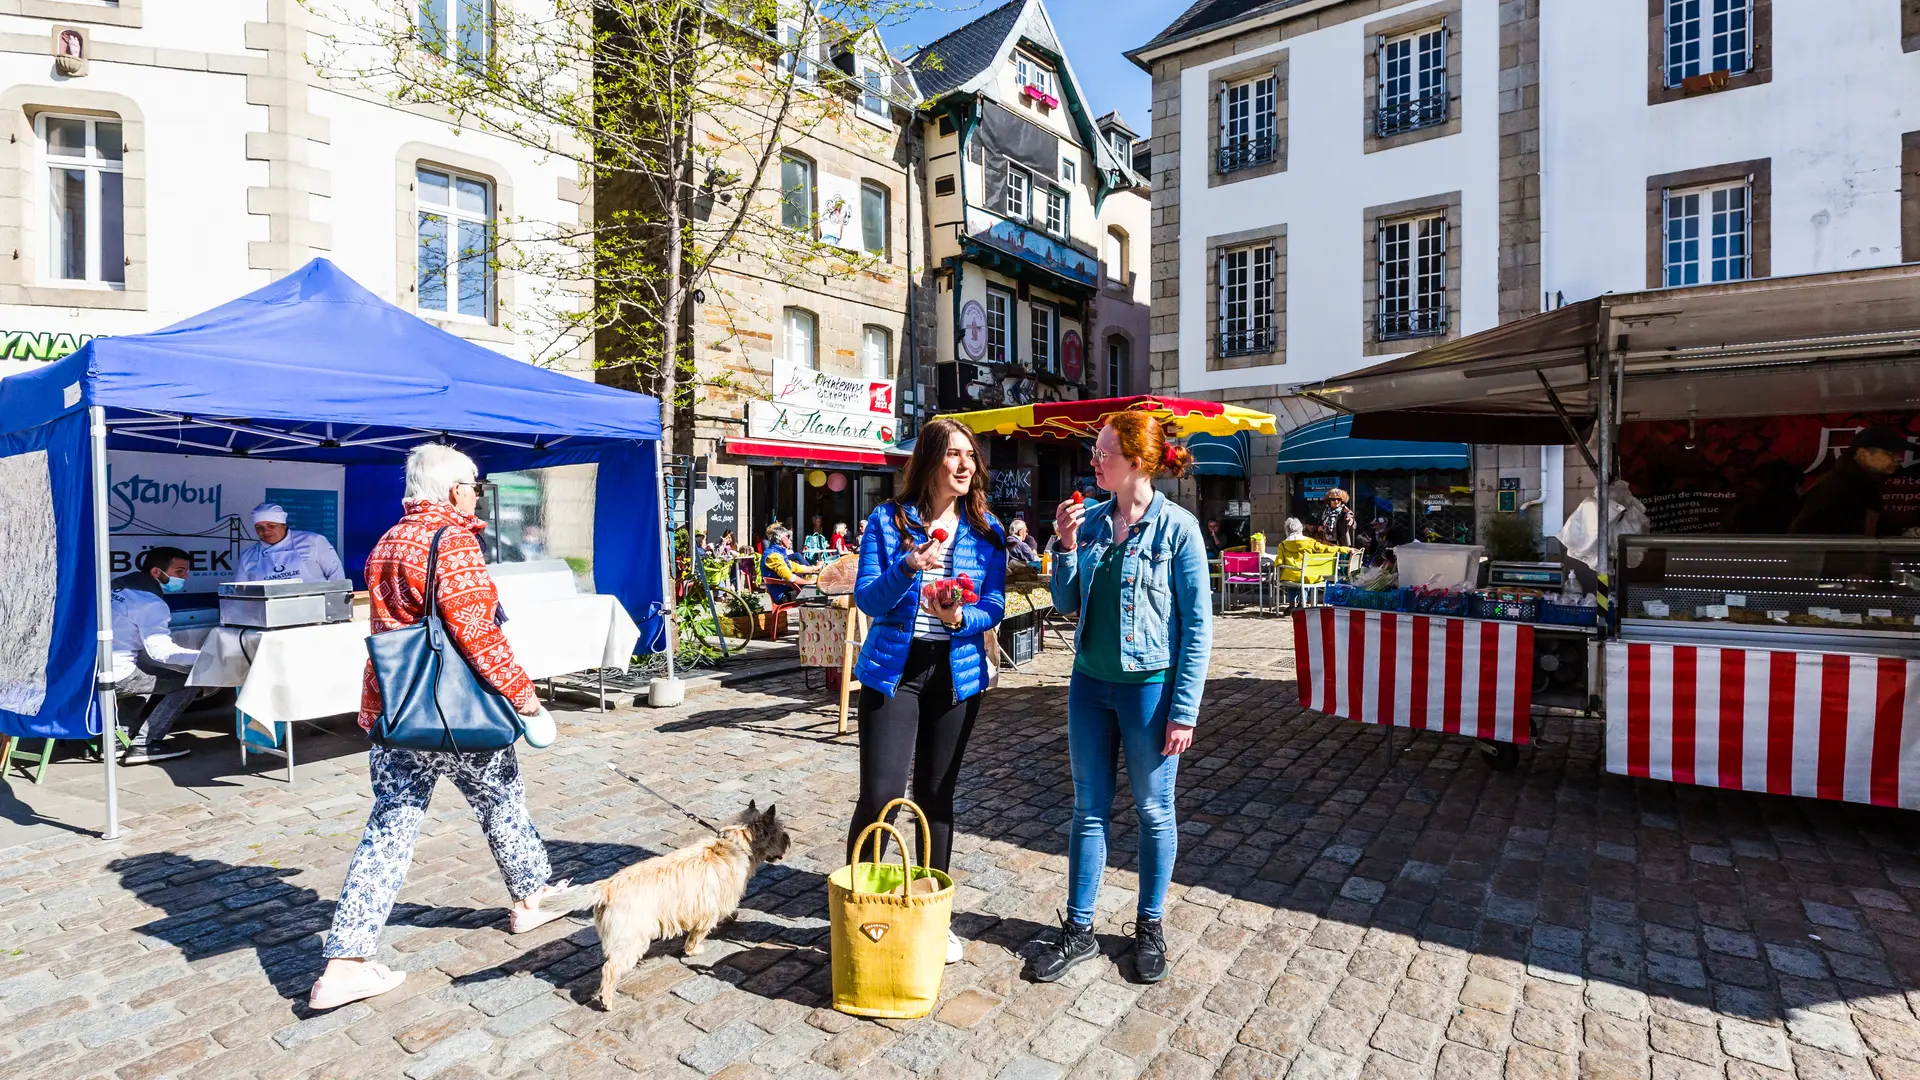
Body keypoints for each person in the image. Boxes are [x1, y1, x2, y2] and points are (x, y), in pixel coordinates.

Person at [307, 443, 566, 1012]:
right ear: (454, 490)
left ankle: (347, 957)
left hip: (400, 711)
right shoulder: (453, 542)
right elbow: (478, 632)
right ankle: (530, 898)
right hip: (460, 711)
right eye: (474, 484)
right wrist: (524, 699)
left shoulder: (389, 539)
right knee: (501, 800)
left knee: (391, 828)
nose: (478, 493)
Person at [1038, 414, 1211, 985]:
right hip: (1090, 685)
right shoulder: (1088, 525)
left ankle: (1150, 925)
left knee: (1153, 809)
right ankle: (1081, 930)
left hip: (1149, 690)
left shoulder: (1178, 530)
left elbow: (1197, 630)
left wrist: (1184, 710)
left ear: (1136, 460)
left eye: (1103, 452)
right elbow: (1066, 603)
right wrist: (1063, 546)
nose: (1094, 462)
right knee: (1088, 807)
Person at [850, 417, 1006, 967]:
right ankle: (861, 907)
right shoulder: (889, 522)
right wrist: (908, 566)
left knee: (936, 798)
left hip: (956, 673)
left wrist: (960, 615)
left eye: (971, 457)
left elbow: (995, 605)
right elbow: (868, 599)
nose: (965, 465)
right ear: (932, 460)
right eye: (954, 455)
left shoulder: (987, 532)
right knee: (881, 797)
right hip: (896, 671)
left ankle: (932, 915)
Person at [109, 547, 203, 764]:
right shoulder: (150, 603)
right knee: (189, 683)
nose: (185, 577)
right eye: (179, 571)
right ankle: (145, 744)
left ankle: (116, 740)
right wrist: (207, 656)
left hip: (87, 672)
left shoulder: (115, 587)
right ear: (156, 572)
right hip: (115, 676)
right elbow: (161, 652)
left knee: (144, 678)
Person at [1790, 427, 1910, 536]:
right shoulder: (1834, 487)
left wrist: (1903, 533)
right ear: (1863, 454)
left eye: (1900, 453)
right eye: (1889, 453)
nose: (1899, 458)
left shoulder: (1863, 485)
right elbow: (1803, 539)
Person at [236, 502, 347, 583]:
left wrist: (334, 607)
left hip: (314, 610)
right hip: (271, 613)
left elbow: (336, 575)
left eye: (271, 526)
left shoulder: (313, 541)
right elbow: (240, 592)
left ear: (284, 525)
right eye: (259, 527)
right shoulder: (248, 556)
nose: (265, 531)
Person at [1276, 517, 1354, 585]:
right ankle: (1305, 600)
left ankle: (1292, 601)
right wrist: (1346, 549)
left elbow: (1279, 562)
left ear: (1287, 530)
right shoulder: (1310, 542)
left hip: (1291, 576)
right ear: (1301, 528)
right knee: (1308, 579)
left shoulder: (1282, 545)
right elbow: (1327, 549)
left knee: (1292, 581)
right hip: (1310, 576)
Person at [760, 526, 817, 603]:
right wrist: (808, 582)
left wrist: (814, 568)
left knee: (815, 589)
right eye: (788, 538)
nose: (790, 541)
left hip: (784, 590)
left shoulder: (777, 552)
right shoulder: (773, 556)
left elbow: (794, 566)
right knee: (817, 591)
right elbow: (790, 578)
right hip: (782, 595)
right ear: (783, 539)